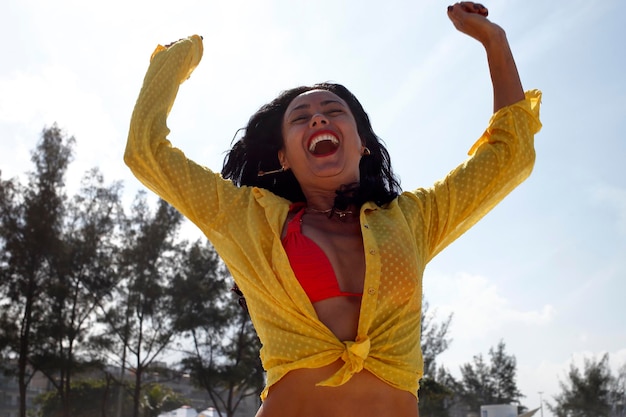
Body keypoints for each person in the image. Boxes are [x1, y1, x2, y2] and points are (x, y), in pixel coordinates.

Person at [124, 2, 542, 416]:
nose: (318, 119)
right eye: (301, 117)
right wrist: (182, 54)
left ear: (362, 143)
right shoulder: (248, 219)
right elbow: (145, 151)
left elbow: (510, 157)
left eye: (333, 111)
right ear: (284, 156)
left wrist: (495, 42)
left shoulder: (413, 220)